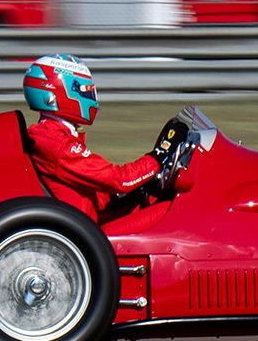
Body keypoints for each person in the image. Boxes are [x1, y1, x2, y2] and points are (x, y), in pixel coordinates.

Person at [22, 53, 170, 222]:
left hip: (86, 221)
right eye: (84, 90)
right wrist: (159, 156)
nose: (90, 97)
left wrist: (129, 193)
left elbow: (91, 191)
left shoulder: (50, 135)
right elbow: (120, 179)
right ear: (57, 93)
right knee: (167, 213)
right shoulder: (57, 143)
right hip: (84, 231)